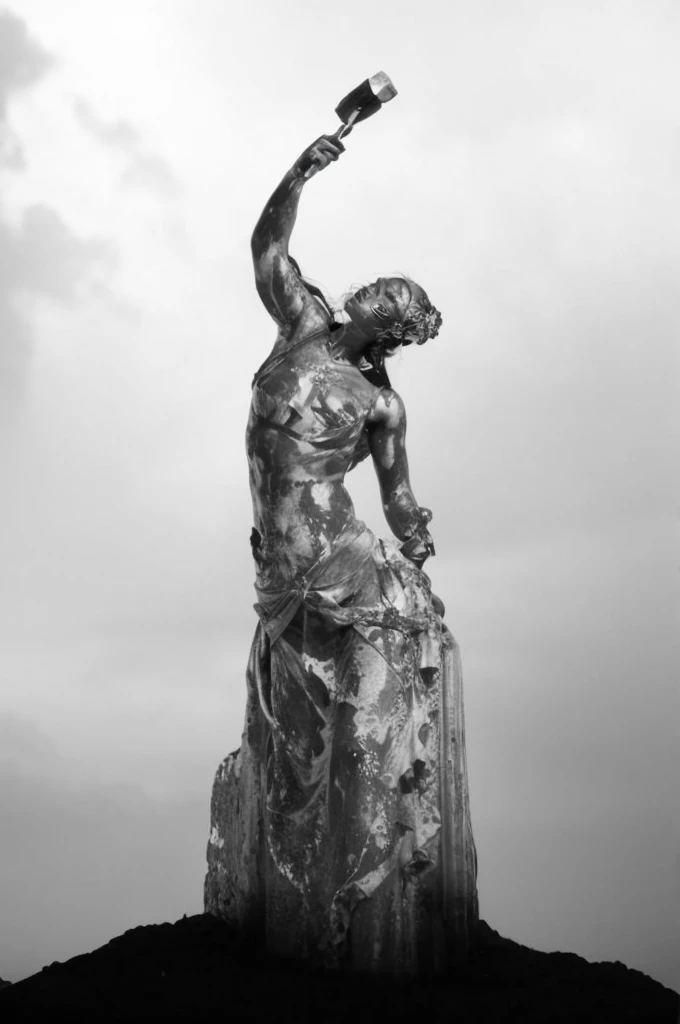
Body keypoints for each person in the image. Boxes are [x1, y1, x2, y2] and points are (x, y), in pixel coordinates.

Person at [208, 134, 478, 976]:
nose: (373, 286)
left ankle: (362, 893)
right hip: (278, 566)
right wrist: (300, 170)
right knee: (289, 734)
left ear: (391, 328)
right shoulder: (300, 324)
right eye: (381, 282)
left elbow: (398, 500)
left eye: (389, 295)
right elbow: (267, 247)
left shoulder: (382, 406)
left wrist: (420, 544)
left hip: (339, 556)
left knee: (359, 719)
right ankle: (298, 892)